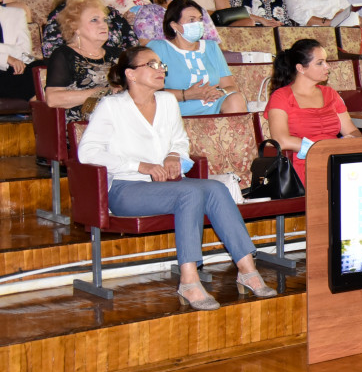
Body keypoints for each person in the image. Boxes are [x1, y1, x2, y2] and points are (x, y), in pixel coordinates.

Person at [79, 46, 275, 311]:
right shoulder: (112, 106)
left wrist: (174, 155)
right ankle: (189, 279)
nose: (161, 70)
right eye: (152, 65)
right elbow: (87, 152)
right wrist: (140, 166)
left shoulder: (168, 102)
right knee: (191, 193)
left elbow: (180, 141)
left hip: (167, 185)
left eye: (162, 65)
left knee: (216, 189)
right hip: (126, 188)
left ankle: (247, 269)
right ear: (131, 74)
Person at [265, 37, 361, 188]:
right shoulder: (281, 96)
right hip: (304, 164)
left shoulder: (331, 94)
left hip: (335, 159)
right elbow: (281, 140)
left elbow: (353, 131)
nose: (327, 67)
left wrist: (350, 139)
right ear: (301, 68)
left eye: (326, 61)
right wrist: (321, 148)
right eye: (320, 63)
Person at [147, 0, 246, 118]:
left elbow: (231, 86)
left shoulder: (211, 47)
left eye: (200, 19)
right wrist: (186, 94)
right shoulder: (158, 47)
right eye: (191, 20)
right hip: (176, 107)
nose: (198, 24)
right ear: (174, 25)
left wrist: (221, 92)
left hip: (213, 104)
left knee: (236, 99)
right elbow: (148, 90)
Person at [45, 0, 119, 122]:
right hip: (83, 122)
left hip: (118, 116)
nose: (103, 25)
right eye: (94, 20)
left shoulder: (117, 54)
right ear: (75, 27)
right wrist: (102, 92)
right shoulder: (64, 54)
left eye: (104, 20)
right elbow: (53, 99)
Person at [0, 0, 37, 101]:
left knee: (43, 66)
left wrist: (11, 59)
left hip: (15, 69)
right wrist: (6, 58)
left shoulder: (17, 14)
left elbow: (25, 52)